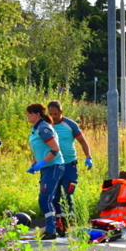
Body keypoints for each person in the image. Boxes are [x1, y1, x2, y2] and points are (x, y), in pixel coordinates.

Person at [47, 100, 93, 225]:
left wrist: (88, 156)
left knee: (68, 193)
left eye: (55, 114)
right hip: (53, 165)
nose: (53, 117)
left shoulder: (70, 125)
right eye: (50, 114)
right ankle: (58, 222)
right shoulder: (46, 125)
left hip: (69, 164)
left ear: (61, 112)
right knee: (54, 195)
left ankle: (70, 221)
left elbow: (82, 141)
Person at [25, 103, 65, 240]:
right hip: (47, 167)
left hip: (53, 166)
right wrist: (35, 163)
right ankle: (54, 227)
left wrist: (42, 163)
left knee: (45, 199)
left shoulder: (43, 128)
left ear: (37, 114)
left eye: (30, 113)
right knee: (48, 198)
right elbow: (41, 148)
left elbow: (55, 149)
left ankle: (51, 229)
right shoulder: (36, 128)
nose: (27, 116)